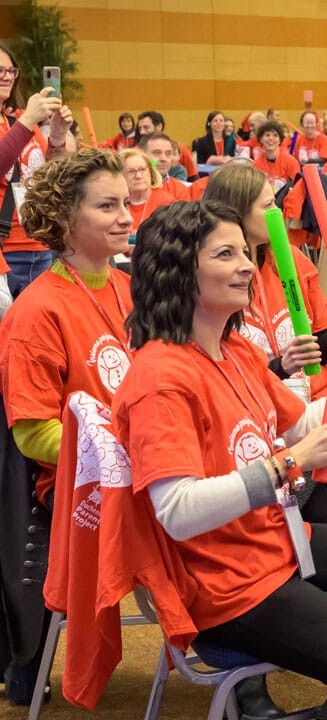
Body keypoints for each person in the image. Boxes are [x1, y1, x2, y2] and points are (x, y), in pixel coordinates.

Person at [113, 199, 327, 720]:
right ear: (178, 269)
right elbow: (177, 511)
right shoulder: (159, 378)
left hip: (273, 540)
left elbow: (302, 426)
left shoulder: (235, 351)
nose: (247, 266)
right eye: (225, 254)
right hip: (224, 583)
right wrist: (288, 463)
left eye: (243, 253)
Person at [0, 149, 129, 701]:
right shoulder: (36, 311)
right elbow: (32, 433)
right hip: (73, 485)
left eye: (126, 202)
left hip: (136, 468)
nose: (126, 216)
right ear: (65, 218)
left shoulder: (128, 287)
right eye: (108, 206)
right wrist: (122, 454)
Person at [201, 164, 327, 401]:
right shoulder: (213, 281)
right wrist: (282, 367)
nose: (278, 212)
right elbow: (220, 380)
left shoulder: (291, 259)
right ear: (237, 214)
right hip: (256, 402)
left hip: (316, 396)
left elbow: (318, 349)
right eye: (268, 205)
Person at [0, 43, 73, 297]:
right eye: (0, 71)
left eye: (11, 71)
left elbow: (52, 175)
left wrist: (58, 136)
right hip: (5, 250)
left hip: (40, 245)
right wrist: (29, 120)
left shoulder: (18, 119)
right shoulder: (25, 120)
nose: (7, 77)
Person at [120, 148, 177, 236]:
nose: (138, 176)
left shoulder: (167, 203)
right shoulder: (116, 203)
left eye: (142, 169)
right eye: (131, 171)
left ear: (150, 172)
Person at [137, 111, 198, 178]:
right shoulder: (135, 151)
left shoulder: (179, 148)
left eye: (146, 127)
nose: (142, 132)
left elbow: (193, 176)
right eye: (140, 128)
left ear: (159, 126)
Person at [139, 132, 192, 200]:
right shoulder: (130, 188)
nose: (163, 159)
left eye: (168, 153)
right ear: (143, 156)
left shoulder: (180, 190)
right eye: (157, 153)